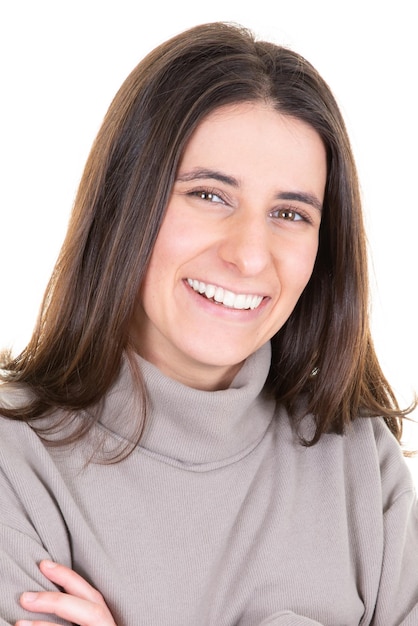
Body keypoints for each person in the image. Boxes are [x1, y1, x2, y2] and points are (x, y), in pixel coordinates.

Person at [0, 21, 416, 626]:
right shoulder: (15, 461)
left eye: (290, 212)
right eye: (209, 196)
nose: (250, 254)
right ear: (127, 204)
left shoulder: (358, 463)